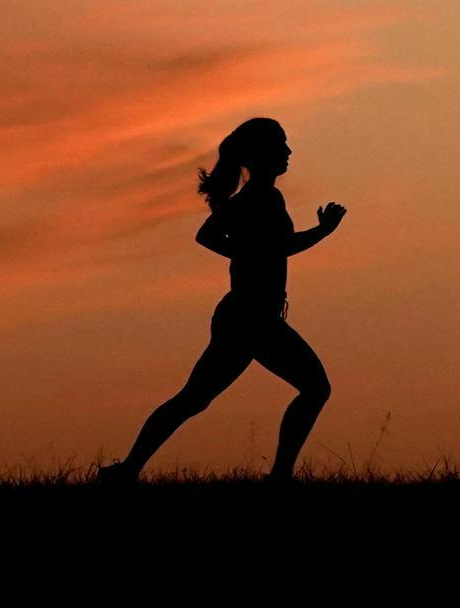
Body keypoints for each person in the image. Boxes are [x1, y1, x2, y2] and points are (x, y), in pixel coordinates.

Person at [99, 116, 342, 483]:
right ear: (261, 154)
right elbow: (242, 242)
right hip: (250, 317)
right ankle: (278, 477)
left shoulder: (263, 197)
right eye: (281, 145)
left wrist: (250, 252)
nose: (289, 151)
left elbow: (238, 242)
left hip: (251, 315)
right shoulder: (258, 198)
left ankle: (127, 470)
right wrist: (317, 234)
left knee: (194, 399)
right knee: (314, 388)